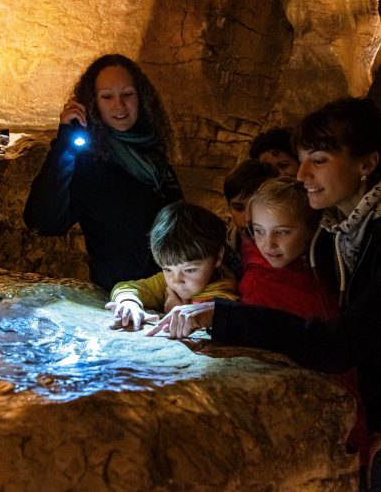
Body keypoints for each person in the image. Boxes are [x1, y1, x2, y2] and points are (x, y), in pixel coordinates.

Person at [148, 97, 381, 490]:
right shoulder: (340, 235)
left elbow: (340, 344)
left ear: (366, 164)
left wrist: (221, 315)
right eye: (302, 158)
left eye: (319, 159)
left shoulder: (354, 238)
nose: (302, 173)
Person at [24, 54, 183, 291]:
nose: (119, 105)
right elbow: (43, 221)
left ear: (141, 97)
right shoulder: (88, 164)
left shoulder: (155, 158)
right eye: (107, 96)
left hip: (171, 293)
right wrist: (64, 146)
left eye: (127, 94)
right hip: (123, 299)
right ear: (93, 103)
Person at [240, 176, 368, 464]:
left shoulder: (328, 269)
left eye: (282, 232)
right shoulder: (259, 285)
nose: (267, 244)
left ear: (311, 230)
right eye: (258, 231)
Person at [105, 200, 239, 331]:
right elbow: (126, 287)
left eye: (189, 270)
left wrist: (177, 311)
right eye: (167, 269)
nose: (176, 280)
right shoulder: (166, 282)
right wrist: (128, 303)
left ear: (218, 257)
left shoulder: (224, 295)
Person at [223, 159, 277, 279]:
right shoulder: (224, 249)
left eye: (256, 208)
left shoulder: (292, 246)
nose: (248, 219)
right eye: (238, 208)